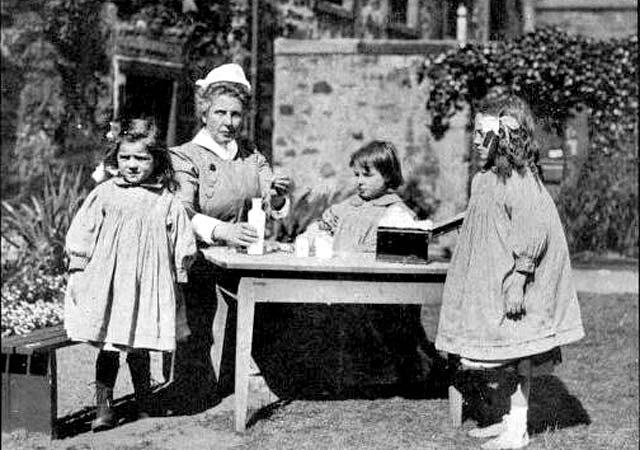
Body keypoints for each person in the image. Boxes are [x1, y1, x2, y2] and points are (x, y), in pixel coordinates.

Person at [435, 96, 585, 449]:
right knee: (503, 351)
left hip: (516, 280)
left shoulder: (517, 178)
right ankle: (508, 418)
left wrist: (519, 277)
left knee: (521, 353)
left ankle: (518, 426)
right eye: (473, 132)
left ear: (504, 139)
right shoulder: (485, 178)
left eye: (482, 134)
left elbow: (534, 230)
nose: (474, 140)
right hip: (490, 278)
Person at [276, 141, 443, 396]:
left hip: (379, 287)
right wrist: (310, 238)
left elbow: (406, 249)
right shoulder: (348, 206)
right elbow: (321, 227)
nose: (360, 181)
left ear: (387, 176)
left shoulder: (396, 212)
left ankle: (396, 373)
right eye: (357, 175)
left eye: (367, 175)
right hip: (341, 281)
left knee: (378, 326)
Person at [169, 63, 291, 409]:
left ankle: (242, 380)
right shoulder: (185, 156)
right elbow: (182, 212)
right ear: (204, 112)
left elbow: (271, 201)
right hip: (199, 255)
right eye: (220, 112)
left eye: (236, 114)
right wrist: (222, 231)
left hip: (243, 254)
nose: (228, 122)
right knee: (198, 320)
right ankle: (194, 389)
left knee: (263, 306)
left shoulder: (252, 155)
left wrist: (278, 195)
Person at [64, 118, 197, 431]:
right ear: (115, 158)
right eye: (126, 157)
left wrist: (178, 272)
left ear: (156, 160)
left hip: (146, 285)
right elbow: (83, 229)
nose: (133, 164)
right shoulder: (105, 194)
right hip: (110, 284)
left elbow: (182, 240)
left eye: (142, 158)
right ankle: (104, 408)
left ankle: (144, 404)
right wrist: (79, 265)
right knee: (110, 345)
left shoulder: (166, 200)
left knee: (139, 344)